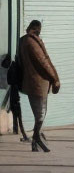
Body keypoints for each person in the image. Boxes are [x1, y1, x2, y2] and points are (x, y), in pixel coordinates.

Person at [19, 20, 59, 153]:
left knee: (39, 114)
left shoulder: (23, 40)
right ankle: (37, 138)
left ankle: (35, 143)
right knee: (40, 114)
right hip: (38, 82)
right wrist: (55, 79)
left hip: (32, 82)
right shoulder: (31, 42)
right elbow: (43, 61)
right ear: (36, 29)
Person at [2, 53, 28, 141]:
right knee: (15, 114)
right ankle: (17, 130)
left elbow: (11, 81)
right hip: (14, 93)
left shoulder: (13, 68)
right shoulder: (13, 66)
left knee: (17, 114)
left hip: (15, 94)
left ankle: (22, 132)